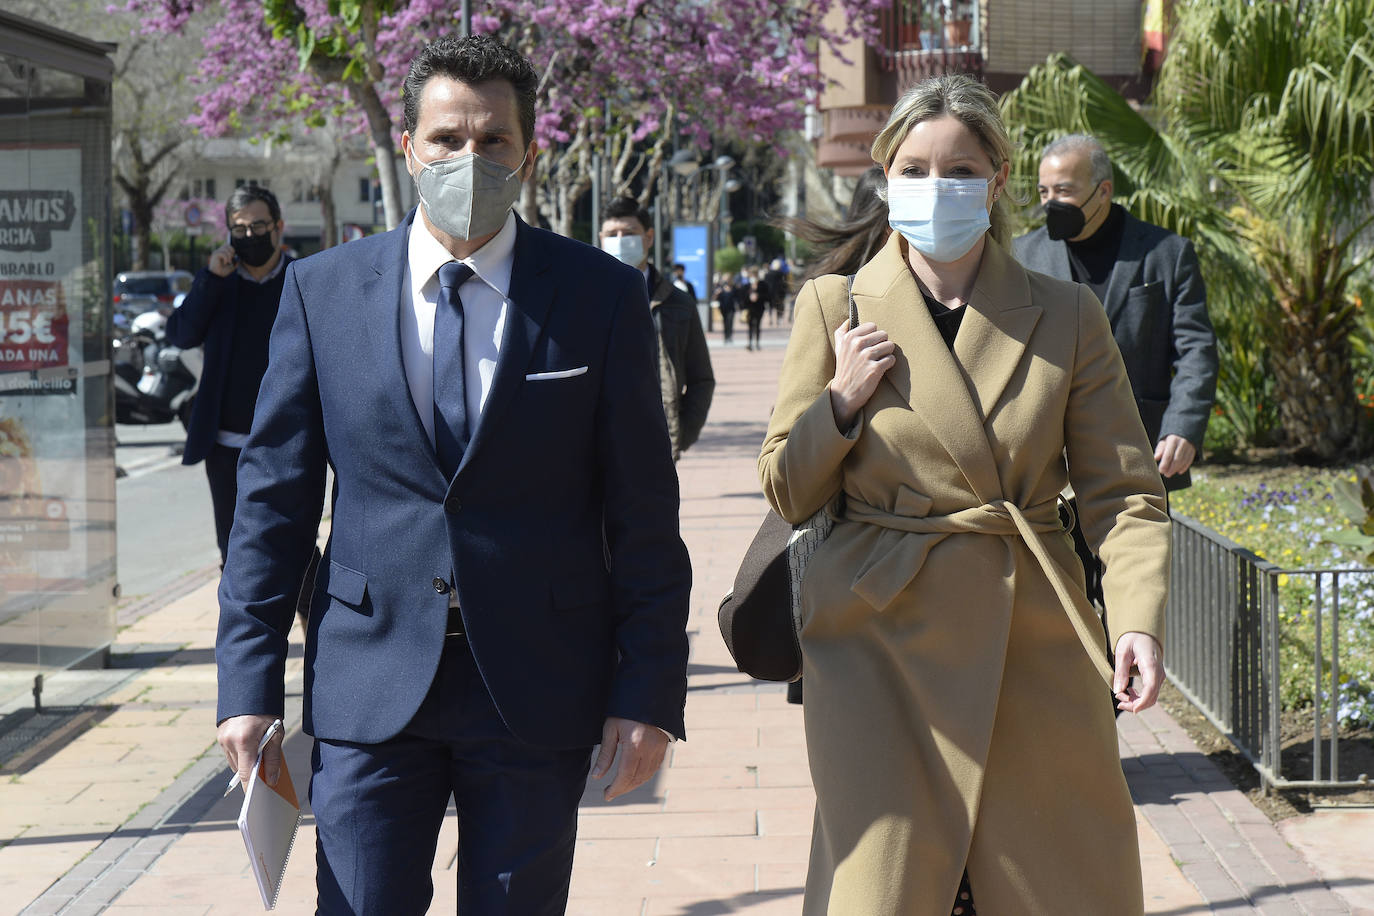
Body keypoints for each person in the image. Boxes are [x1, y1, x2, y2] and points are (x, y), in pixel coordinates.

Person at [214, 35, 691, 915]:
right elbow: (272, 504)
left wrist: (650, 691)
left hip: (536, 681)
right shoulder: (324, 293)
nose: (468, 159)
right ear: (407, 146)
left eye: (493, 141)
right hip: (368, 677)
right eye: (446, 139)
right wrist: (246, 686)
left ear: (528, 153)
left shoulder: (599, 297)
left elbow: (644, 515)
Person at [758, 74, 1171, 914]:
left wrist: (1135, 620)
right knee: (887, 880)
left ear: (998, 180)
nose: (933, 188)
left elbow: (1123, 492)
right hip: (874, 638)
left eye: (956, 171)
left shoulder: (1067, 314)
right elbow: (785, 487)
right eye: (912, 169)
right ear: (885, 177)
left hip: (1035, 637)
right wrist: (837, 403)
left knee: (1050, 876)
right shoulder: (835, 306)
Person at [166, 185, 291, 568]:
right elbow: (181, 335)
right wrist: (210, 278)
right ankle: (246, 630)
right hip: (225, 449)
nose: (249, 236)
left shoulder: (303, 280)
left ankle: (311, 626)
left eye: (258, 226)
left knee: (293, 551)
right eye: (239, 229)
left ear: (278, 227)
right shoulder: (220, 283)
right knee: (235, 553)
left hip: (286, 446)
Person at [600, 198, 715, 459]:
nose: (619, 240)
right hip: (594, 444)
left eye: (629, 233)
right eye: (612, 234)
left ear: (649, 237)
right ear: (600, 238)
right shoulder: (581, 297)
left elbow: (702, 378)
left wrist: (682, 434)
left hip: (655, 443)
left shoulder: (679, 303)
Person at [742, 268, 767, 350]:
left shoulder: (762, 284)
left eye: (754, 274)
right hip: (750, 308)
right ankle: (749, 343)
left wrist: (758, 296)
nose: (753, 276)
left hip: (759, 307)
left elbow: (768, 296)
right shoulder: (746, 285)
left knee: (757, 325)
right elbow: (742, 297)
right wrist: (749, 297)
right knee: (750, 326)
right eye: (752, 274)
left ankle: (757, 343)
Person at [713, 272, 738, 344]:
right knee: (725, 322)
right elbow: (715, 298)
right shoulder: (720, 287)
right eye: (725, 279)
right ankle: (726, 337)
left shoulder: (734, 287)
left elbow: (737, 297)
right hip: (723, 307)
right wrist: (717, 293)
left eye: (728, 278)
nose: (726, 280)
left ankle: (729, 336)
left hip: (731, 308)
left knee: (730, 322)